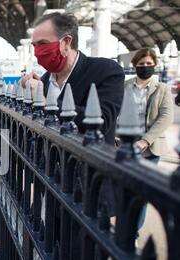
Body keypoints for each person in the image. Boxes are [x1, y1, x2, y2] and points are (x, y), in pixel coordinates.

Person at [21, 12, 125, 145]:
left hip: (88, 162)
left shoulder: (106, 70)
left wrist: (46, 102)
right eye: (35, 45)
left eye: (42, 43)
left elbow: (101, 124)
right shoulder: (44, 80)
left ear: (66, 42)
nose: (37, 51)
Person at [123, 47, 174, 234]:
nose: (145, 67)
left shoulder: (162, 89)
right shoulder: (125, 86)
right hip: (126, 145)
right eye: (141, 64)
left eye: (149, 64)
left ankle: (133, 232)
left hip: (149, 150)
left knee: (141, 194)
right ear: (135, 65)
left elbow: (166, 117)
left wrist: (145, 140)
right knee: (124, 189)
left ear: (155, 66)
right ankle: (124, 227)